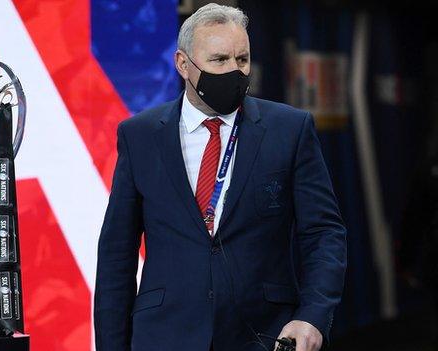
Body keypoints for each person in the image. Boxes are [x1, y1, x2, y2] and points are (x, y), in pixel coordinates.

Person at [94, 4, 346, 351]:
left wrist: (313, 315)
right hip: (164, 336)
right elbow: (116, 254)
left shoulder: (289, 129)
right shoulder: (140, 136)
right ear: (183, 64)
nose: (235, 70)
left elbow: (323, 232)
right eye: (219, 60)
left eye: (242, 59)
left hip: (263, 335)